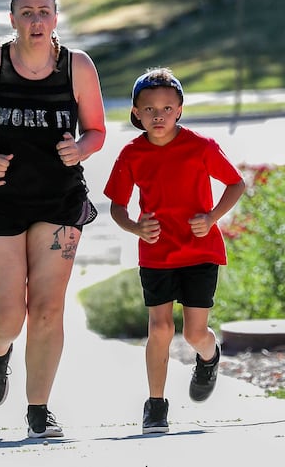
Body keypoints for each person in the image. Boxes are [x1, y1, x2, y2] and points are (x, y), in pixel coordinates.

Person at [0, 0, 106, 439]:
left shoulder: (78, 67)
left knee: (49, 310)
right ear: (12, 19)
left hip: (59, 199)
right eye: (27, 12)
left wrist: (83, 149)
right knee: (7, 317)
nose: (36, 20)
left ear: (56, 19)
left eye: (44, 12)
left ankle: (39, 413)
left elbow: (96, 129)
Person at [103, 67, 245, 434]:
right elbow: (117, 206)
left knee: (196, 334)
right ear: (136, 113)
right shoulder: (132, 154)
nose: (158, 115)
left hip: (200, 251)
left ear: (180, 109)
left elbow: (235, 183)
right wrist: (135, 227)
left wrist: (213, 217)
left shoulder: (201, 147)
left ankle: (209, 358)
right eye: (149, 109)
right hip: (156, 253)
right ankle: (155, 405)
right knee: (161, 328)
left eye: (167, 108)